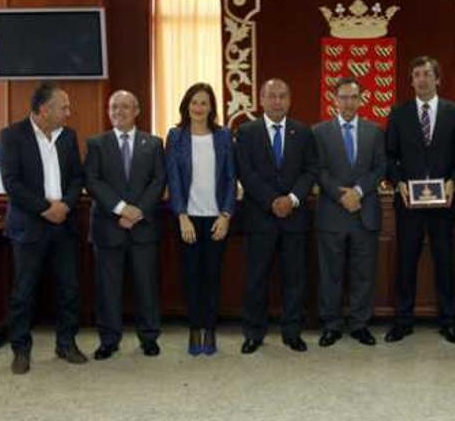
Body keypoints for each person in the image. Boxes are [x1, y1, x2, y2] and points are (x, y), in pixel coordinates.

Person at [0, 81, 87, 374]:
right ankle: (21, 350)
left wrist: (64, 205)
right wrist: (45, 208)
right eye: (63, 107)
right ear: (44, 109)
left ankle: (66, 344)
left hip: (63, 223)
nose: (68, 112)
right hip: (28, 225)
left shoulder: (68, 136)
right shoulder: (12, 135)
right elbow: (12, 183)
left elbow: (77, 177)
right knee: (24, 291)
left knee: (69, 288)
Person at [383, 55, 455, 345]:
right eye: (416, 74)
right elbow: (389, 156)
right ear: (412, 80)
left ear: (438, 79)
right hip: (409, 205)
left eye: (427, 74)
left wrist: (454, 180)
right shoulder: (399, 113)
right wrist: (399, 182)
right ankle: (403, 321)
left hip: (444, 205)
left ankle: (448, 321)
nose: (422, 79)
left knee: (445, 262)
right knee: (406, 263)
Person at [236, 78, 317, 354]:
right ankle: (253, 332)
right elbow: (245, 172)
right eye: (271, 96)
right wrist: (272, 200)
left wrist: (292, 199)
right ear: (261, 99)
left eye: (282, 96)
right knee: (256, 278)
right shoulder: (246, 132)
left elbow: (310, 170)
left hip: (294, 218)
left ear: (290, 100)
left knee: (294, 278)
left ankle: (292, 332)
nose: (277, 101)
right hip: (260, 216)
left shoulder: (303, 132)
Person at [85, 90, 166, 360]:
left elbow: (158, 181)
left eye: (124, 107)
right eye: (113, 107)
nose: (118, 112)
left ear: (137, 111)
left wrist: (138, 211)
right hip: (108, 226)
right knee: (107, 288)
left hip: (143, 227)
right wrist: (121, 209)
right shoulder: (97, 143)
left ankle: (149, 337)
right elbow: (93, 181)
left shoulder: (153, 143)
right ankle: (109, 339)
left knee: (146, 285)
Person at [312, 76, 386, 347]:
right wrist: (341, 195)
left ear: (361, 99)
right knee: (330, 273)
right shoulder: (319, 132)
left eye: (354, 97)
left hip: (364, 213)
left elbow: (380, 168)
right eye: (343, 97)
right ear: (334, 99)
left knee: (363, 273)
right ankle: (331, 325)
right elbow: (318, 170)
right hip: (332, 212)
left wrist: (358, 191)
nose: (348, 102)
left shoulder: (375, 131)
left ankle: (359, 324)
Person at [165, 82, 236, 356]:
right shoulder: (176, 136)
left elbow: (231, 178)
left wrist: (227, 215)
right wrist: (181, 216)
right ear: (186, 105)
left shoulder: (223, 136)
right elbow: (173, 178)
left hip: (217, 217)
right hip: (189, 218)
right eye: (194, 102)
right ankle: (195, 329)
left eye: (204, 103)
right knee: (192, 276)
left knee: (213, 275)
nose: (198, 108)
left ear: (211, 108)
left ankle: (210, 328)